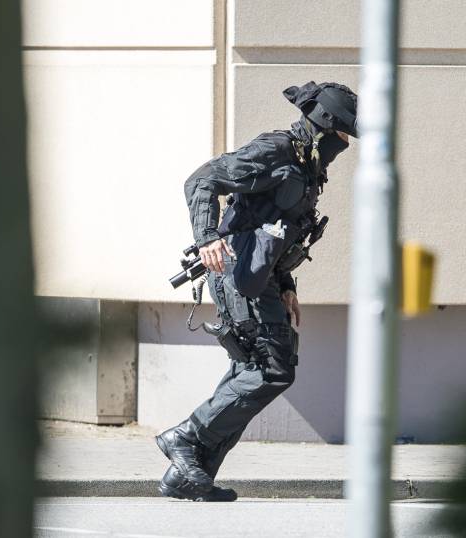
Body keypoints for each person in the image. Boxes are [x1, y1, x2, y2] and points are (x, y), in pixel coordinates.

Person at [154, 81, 358, 502]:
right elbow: (202, 180)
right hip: (235, 271)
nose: (346, 143)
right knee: (270, 369)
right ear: (325, 125)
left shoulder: (307, 164)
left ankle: (190, 476)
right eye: (344, 134)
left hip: (261, 277)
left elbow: (278, 228)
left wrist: (285, 284)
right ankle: (187, 437)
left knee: (249, 370)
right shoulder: (278, 150)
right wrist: (207, 237)